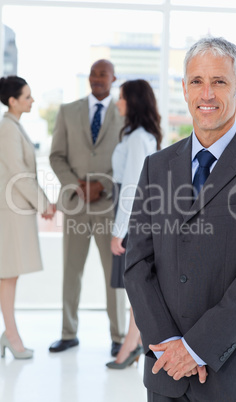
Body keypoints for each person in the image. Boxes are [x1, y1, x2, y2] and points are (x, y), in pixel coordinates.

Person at [124, 37, 236, 402]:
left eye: (219, 81)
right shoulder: (157, 167)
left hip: (232, 375)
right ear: (184, 89)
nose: (207, 93)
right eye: (197, 81)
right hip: (166, 372)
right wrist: (171, 346)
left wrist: (197, 348)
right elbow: (137, 263)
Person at [49, 59, 126, 356]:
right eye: (93, 74)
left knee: (113, 275)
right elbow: (56, 156)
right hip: (76, 205)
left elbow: (129, 161)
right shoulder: (68, 111)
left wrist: (102, 185)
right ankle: (68, 333)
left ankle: (119, 337)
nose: (96, 78)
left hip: (109, 207)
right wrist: (78, 185)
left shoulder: (124, 113)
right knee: (71, 271)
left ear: (113, 78)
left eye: (102, 74)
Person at [106, 79, 162, 369]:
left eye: (122, 98)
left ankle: (132, 343)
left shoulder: (139, 137)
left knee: (133, 282)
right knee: (133, 282)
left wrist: (119, 231)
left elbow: (131, 186)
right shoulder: (137, 135)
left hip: (132, 215)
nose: (118, 103)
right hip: (131, 213)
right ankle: (134, 340)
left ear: (134, 102)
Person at [0, 76, 55, 359]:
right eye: (28, 96)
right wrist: (44, 203)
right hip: (10, 215)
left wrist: (44, 200)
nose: (32, 101)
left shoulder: (14, 127)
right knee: (7, 276)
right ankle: (11, 336)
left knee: (10, 276)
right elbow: (20, 175)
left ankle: (9, 334)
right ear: (13, 100)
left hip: (15, 212)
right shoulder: (8, 129)